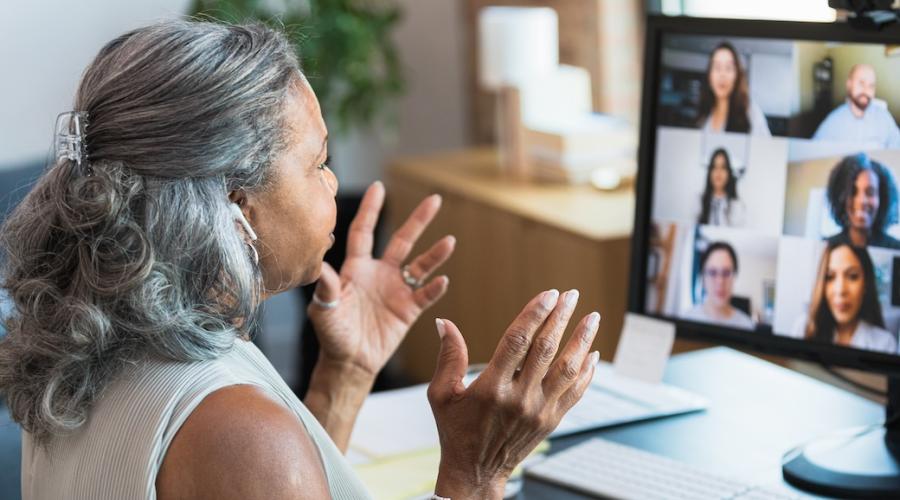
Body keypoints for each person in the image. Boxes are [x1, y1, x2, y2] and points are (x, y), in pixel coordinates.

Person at [0, 21, 602, 500]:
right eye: (316, 163)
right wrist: (476, 475)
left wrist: (345, 374)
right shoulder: (236, 431)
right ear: (236, 206)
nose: (333, 180)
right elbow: (254, 460)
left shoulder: (85, 353)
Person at [790, 242, 896, 354]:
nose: (840, 290)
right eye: (830, 277)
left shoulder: (885, 344)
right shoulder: (802, 329)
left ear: (866, 284)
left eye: (852, 276)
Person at [812, 63, 900, 149]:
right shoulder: (833, 122)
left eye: (871, 86)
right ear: (849, 84)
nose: (866, 90)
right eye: (861, 83)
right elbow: (813, 153)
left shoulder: (884, 117)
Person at [824, 153, 900, 249]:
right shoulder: (827, 246)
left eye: (870, 192)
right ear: (841, 197)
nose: (862, 201)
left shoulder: (896, 249)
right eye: (853, 192)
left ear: (882, 199)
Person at [696, 42, 771, 136]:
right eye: (717, 67)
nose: (722, 74)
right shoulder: (705, 114)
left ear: (737, 76)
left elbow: (765, 147)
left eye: (728, 68)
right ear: (709, 76)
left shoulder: (750, 112)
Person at [682, 241, 755, 329]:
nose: (720, 281)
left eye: (726, 273)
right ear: (703, 278)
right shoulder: (687, 319)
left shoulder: (747, 325)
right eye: (712, 273)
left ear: (734, 277)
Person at [697, 148, 746, 226]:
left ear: (729, 173)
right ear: (710, 172)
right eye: (714, 167)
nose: (718, 172)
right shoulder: (699, 201)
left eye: (723, 167)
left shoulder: (737, 205)